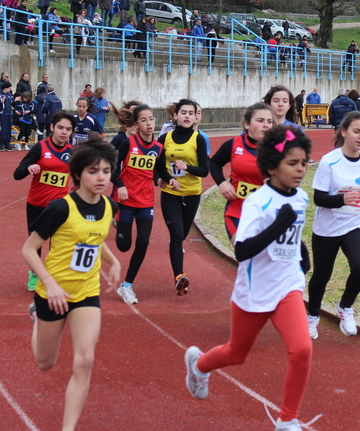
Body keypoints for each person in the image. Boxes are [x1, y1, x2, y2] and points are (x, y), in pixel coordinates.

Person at [183, 125, 316, 431]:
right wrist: (278, 226)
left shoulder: (301, 199)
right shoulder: (258, 203)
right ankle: (199, 365)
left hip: (287, 287)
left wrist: (302, 255)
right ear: (271, 166)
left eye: (304, 163)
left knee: (302, 349)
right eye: (292, 163)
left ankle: (287, 419)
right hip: (255, 290)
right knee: (236, 353)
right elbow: (242, 251)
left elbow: (293, 236)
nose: (300, 169)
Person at [22, 138, 121, 431]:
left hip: (87, 292)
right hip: (54, 292)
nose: (101, 177)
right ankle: (37, 318)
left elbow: (95, 239)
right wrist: (49, 284)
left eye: (106, 170)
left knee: (85, 360)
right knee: (45, 363)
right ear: (77, 174)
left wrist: (113, 262)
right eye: (93, 171)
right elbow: (29, 249)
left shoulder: (109, 206)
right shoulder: (60, 208)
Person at [306, 112, 360, 339]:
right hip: (327, 227)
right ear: (344, 132)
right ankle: (312, 316)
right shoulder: (329, 161)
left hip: (355, 223)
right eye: (357, 131)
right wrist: (341, 200)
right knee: (322, 275)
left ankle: (345, 307)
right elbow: (319, 198)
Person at [14, 110, 76, 290]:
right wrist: (30, 168)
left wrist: (78, 184)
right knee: (36, 243)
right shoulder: (40, 148)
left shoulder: (72, 152)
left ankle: (54, 275)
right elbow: (17, 174)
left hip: (59, 206)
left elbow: (81, 172)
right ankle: (34, 274)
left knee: (58, 242)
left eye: (68, 129)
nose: (64, 132)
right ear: (52, 128)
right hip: (37, 203)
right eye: (60, 128)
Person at [156, 99, 209, 295]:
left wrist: (187, 167)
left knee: (182, 234)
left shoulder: (199, 139)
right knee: (177, 234)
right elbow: (158, 165)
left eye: (191, 113)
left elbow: (204, 170)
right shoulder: (165, 138)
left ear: (195, 116)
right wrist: (165, 178)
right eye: (183, 112)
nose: (187, 116)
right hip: (171, 193)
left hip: (192, 193)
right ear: (175, 116)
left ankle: (178, 266)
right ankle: (179, 276)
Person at [111, 105, 163, 305]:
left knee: (143, 241)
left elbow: (159, 171)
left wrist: (164, 181)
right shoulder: (128, 144)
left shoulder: (158, 148)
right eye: (144, 120)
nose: (149, 123)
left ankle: (127, 285)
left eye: (151, 119)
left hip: (145, 202)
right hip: (125, 200)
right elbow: (113, 169)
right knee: (124, 246)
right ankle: (113, 218)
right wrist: (120, 185)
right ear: (137, 124)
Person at [209, 103, 273, 239]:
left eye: (269, 121)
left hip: (267, 215)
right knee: (245, 253)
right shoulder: (233, 145)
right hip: (238, 213)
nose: (266, 125)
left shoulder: (280, 150)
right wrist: (222, 183)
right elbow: (214, 163)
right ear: (247, 124)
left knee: (261, 259)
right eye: (260, 121)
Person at [0, 81, 15, 151]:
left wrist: (16, 101)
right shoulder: (0, 95)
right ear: (5, 88)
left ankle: (7, 143)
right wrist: (1, 101)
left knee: (8, 129)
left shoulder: (10, 95)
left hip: (9, 113)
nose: (9, 89)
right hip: (2, 114)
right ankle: (0, 143)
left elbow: (13, 103)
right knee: (3, 129)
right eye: (8, 88)